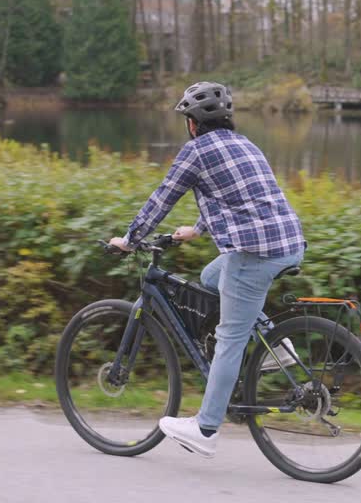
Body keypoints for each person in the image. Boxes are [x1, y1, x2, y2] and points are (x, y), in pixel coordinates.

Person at [108, 81, 305, 459]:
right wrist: (197, 229)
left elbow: (161, 199)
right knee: (212, 277)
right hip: (288, 244)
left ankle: (206, 427)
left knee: (229, 338)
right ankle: (277, 347)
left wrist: (130, 240)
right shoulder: (246, 144)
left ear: (193, 124)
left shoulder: (195, 151)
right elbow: (238, 197)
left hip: (254, 253)